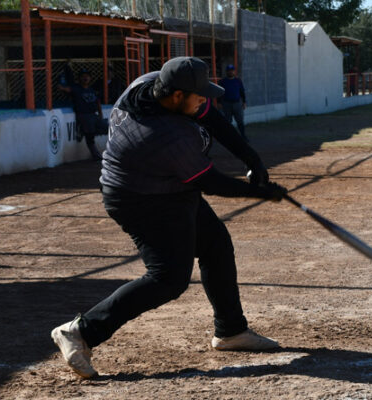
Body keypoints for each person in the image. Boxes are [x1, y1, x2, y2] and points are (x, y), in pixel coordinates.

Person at [50, 56, 287, 379]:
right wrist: (262, 193)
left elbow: (212, 118)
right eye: (199, 96)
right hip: (140, 200)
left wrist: (251, 158)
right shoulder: (165, 135)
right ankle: (79, 332)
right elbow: (211, 182)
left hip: (168, 187)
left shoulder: (151, 83)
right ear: (177, 95)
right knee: (168, 279)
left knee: (216, 244)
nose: (204, 101)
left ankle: (231, 330)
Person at [59, 68, 107, 160]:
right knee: (90, 135)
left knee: (108, 128)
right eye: (83, 76)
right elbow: (65, 89)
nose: (85, 78)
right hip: (84, 115)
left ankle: (82, 130)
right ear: (79, 78)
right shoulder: (76, 88)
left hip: (94, 115)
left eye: (87, 76)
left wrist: (100, 114)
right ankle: (96, 155)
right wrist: (61, 84)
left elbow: (97, 102)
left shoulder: (91, 89)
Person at [217, 64, 247, 140]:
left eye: (232, 70)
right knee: (227, 121)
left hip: (237, 104)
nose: (230, 72)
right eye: (229, 71)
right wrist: (219, 102)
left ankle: (243, 136)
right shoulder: (222, 81)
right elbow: (219, 93)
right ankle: (228, 137)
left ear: (234, 71)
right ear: (226, 72)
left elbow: (242, 92)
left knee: (240, 120)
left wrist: (244, 102)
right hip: (226, 104)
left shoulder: (238, 81)